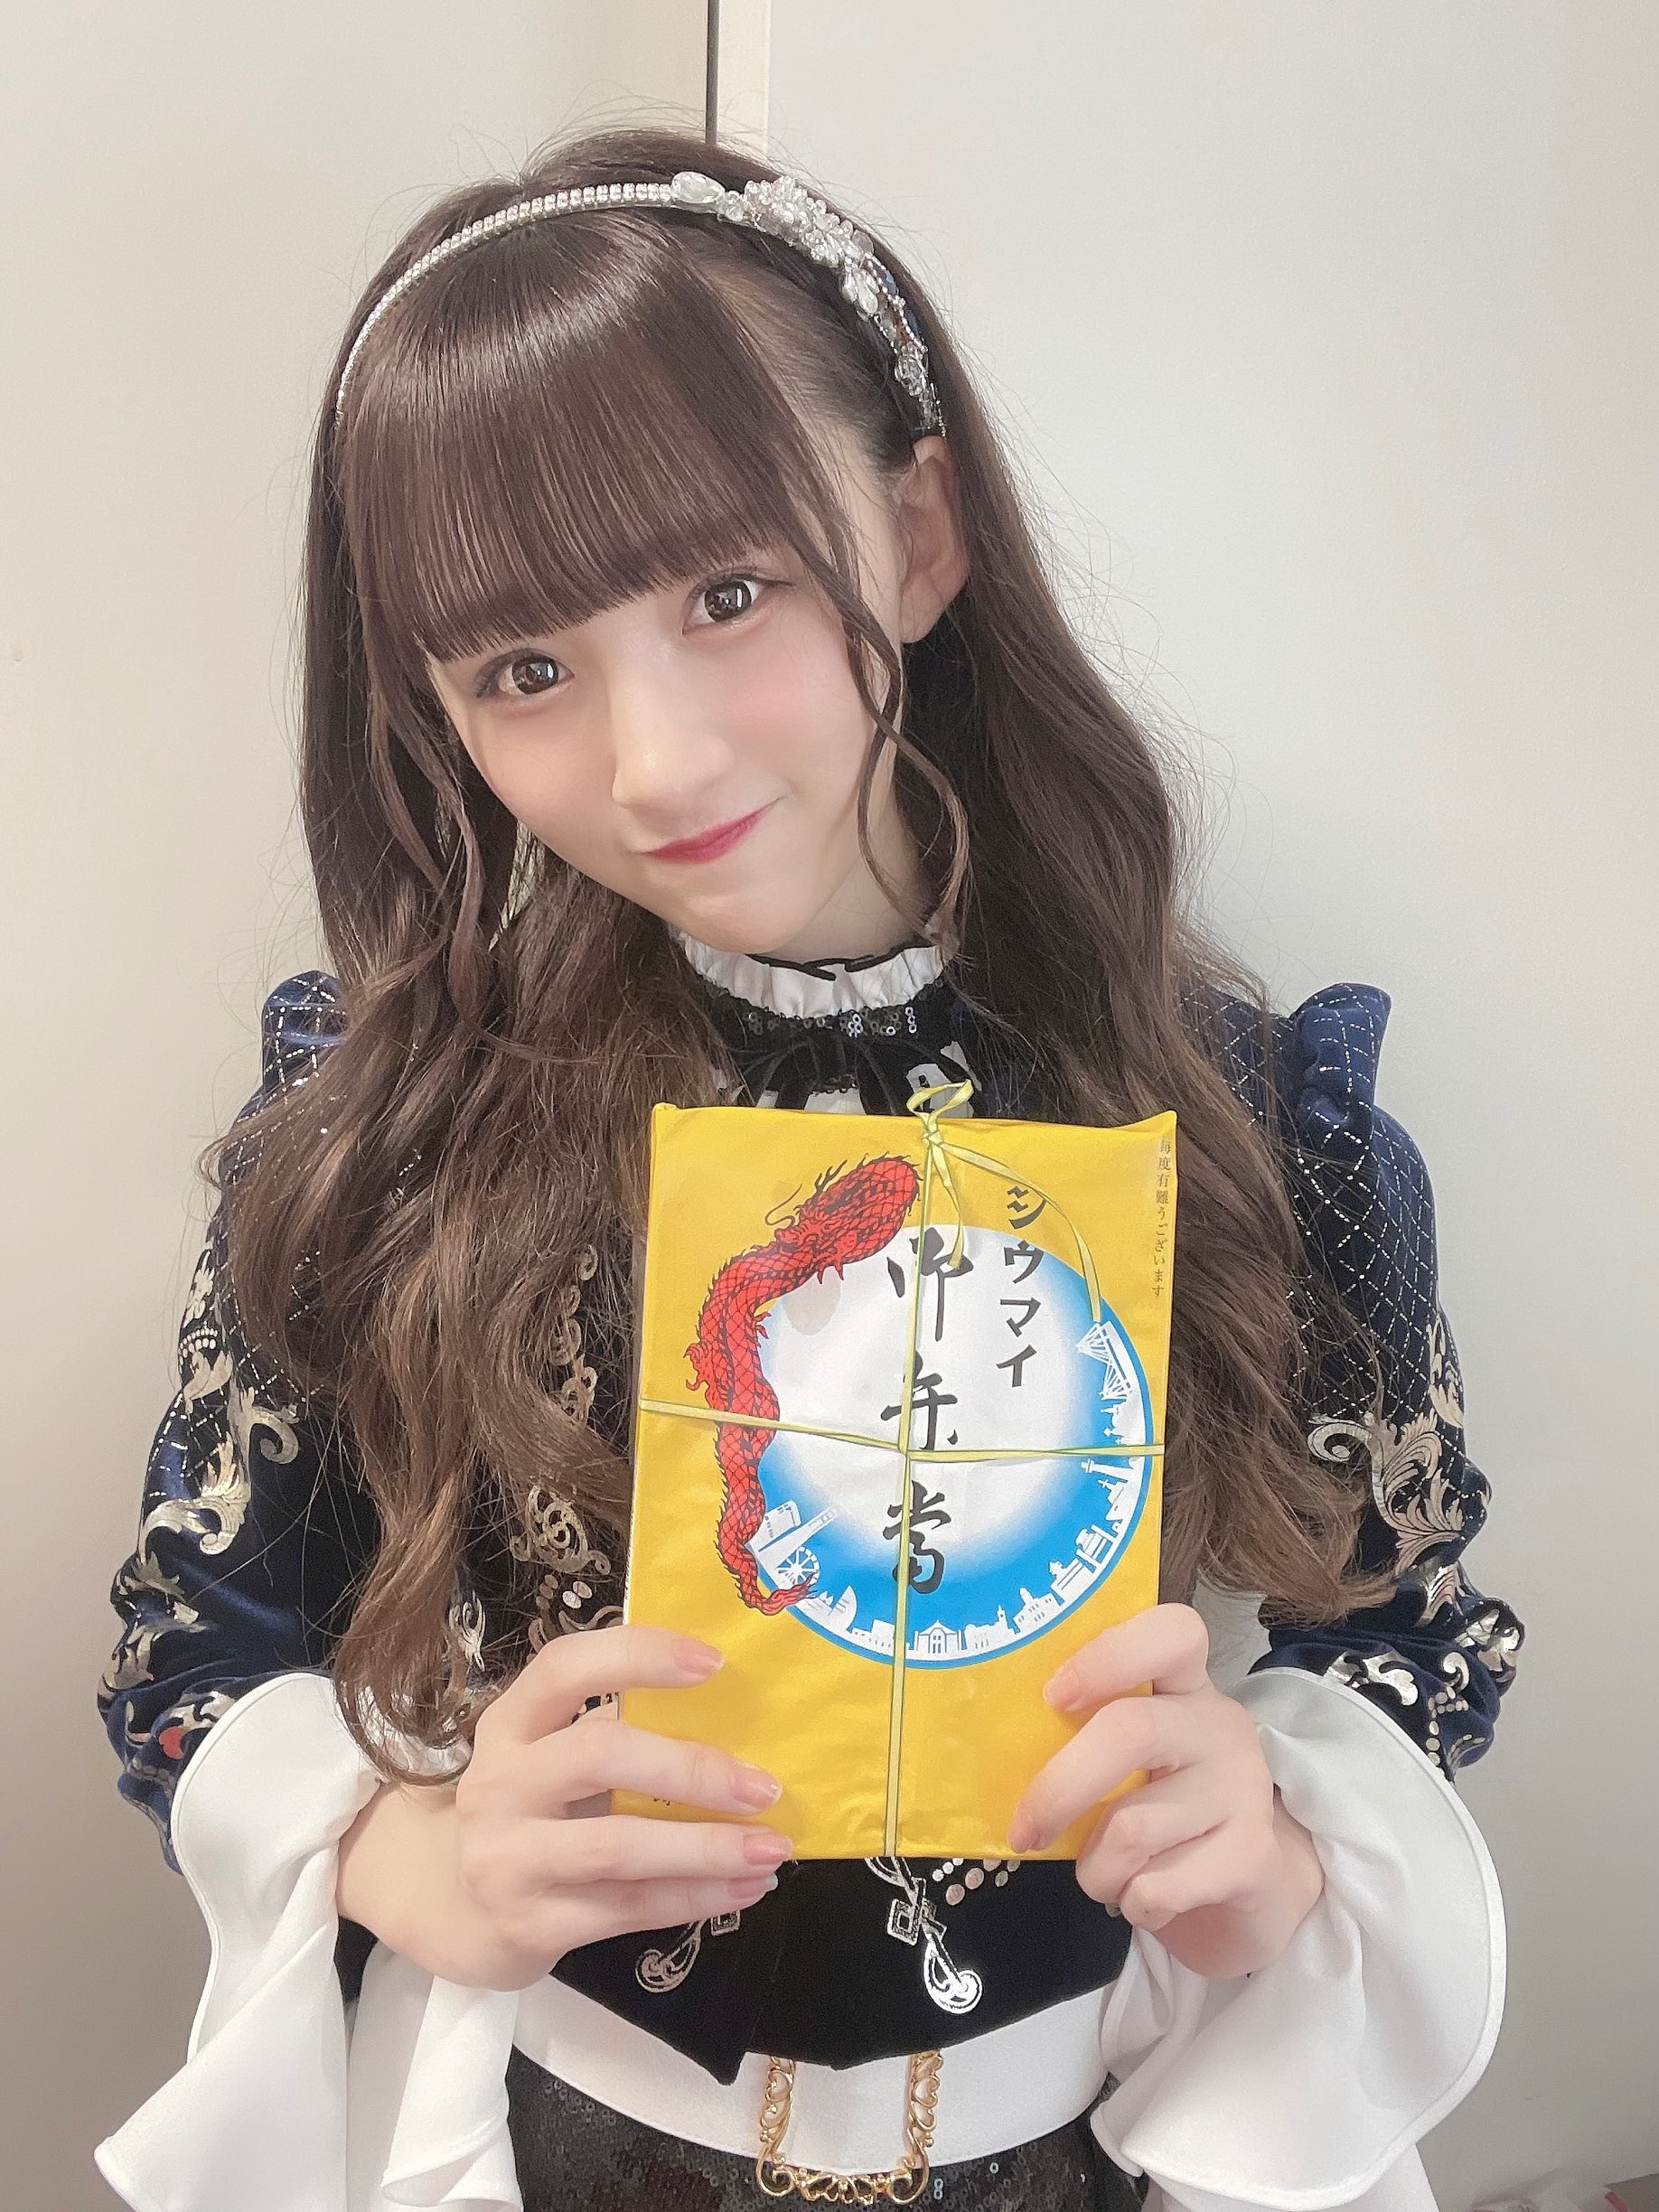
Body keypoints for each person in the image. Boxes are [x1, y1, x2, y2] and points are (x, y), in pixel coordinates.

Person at [95, 124, 1523, 2212]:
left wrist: (1280, 1841)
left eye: (729, 593)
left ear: (918, 534)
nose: (656, 758)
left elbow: (1410, 1624)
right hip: (565, 2135)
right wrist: (409, 1854)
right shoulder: (384, 1133)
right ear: (431, 705)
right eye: (524, 670)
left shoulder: (1237, 1114)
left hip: (1080, 2140)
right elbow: (190, 1652)